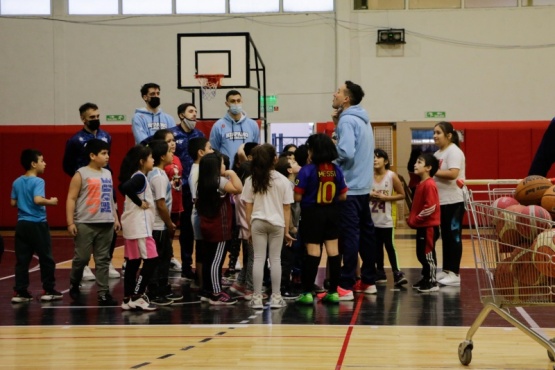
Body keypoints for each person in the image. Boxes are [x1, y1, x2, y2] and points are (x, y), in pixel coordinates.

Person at [62, 102, 119, 280]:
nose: (95, 120)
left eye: (97, 116)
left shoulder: (106, 136)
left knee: (110, 224)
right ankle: (84, 264)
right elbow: (67, 164)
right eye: (92, 117)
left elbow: (107, 161)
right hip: (87, 186)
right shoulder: (75, 140)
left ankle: (106, 261)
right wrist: (83, 178)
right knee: (85, 226)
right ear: (83, 119)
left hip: (105, 183)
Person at [331, 80, 377, 298]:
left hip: (349, 187)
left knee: (350, 235)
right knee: (367, 235)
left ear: (346, 99)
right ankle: (369, 280)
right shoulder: (363, 119)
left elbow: (347, 153)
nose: (334, 94)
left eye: (338, 92)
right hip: (364, 186)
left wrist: (330, 161)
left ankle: (347, 284)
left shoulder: (347, 120)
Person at [294, 134, 348, 304]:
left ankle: (307, 292)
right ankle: (333, 292)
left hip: (312, 213)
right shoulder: (336, 170)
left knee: (313, 251)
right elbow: (344, 196)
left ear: (313, 151)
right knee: (333, 251)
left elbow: (297, 197)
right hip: (332, 212)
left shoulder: (307, 170)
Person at [66, 139, 120, 306]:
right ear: (92, 155)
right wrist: (70, 222)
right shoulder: (80, 174)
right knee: (81, 258)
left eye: (108, 153)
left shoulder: (107, 174)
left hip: (106, 222)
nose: (107, 157)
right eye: (103, 153)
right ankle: (74, 282)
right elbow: (71, 198)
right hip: (85, 222)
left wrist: (115, 218)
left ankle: (103, 294)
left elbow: (110, 198)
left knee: (103, 260)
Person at [242, 144, 295, 309]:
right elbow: (287, 208)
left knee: (258, 259)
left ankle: (257, 297)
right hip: (277, 223)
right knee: (276, 260)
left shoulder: (251, 180)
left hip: (257, 222)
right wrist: (287, 230)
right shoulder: (283, 180)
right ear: (275, 160)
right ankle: (277, 297)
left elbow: (248, 207)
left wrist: (250, 228)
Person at [10, 149, 62, 303]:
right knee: (46, 257)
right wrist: (51, 202)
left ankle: (21, 291)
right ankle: (49, 289)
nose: (44, 163)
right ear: (33, 164)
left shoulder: (17, 181)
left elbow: (13, 203)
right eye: (41, 160)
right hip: (37, 224)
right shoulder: (39, 181)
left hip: (21, 225)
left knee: (22, 260)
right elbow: (38, 200)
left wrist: (24, 203)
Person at [196, 151, 242, 305]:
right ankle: (216, 293)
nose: (224, 166)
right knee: (217, 261)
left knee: (209, 259)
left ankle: (207, 290)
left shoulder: (202, 181)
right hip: (219, 229)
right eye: (222, 164)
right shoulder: (220, 181)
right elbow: (238, 188)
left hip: (207, 226)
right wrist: (231, 173)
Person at [118, 145, 158, 311]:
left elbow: (122, 187)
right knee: (152, 260)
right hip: (140, 227)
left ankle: (127, 298)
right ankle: (137, 295)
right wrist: (140, 202)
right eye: (151, 157)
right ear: (142, 161)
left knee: (133, 263)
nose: (153, 160)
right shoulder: (140, 177)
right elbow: (125, 188)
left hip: (133, 226)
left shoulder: (137, 176)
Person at [170, 103, 205, 282]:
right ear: (181, 115)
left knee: (195, 229)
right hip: (178, 189)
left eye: (196, 112)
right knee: (180, 229)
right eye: (191, 111)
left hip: (197, 189)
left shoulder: (199, 135)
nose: (194, 115)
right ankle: (183, 264)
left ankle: (194, 266)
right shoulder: (172, 135)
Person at [146, 140, 183, 305]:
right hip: (158, 225)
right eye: (169, 152)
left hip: (157, 224)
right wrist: (169, 223)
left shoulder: (154, 174)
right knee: (160, 259)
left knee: (164, 257)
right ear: (162, 156)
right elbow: (160, 204)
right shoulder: (159, 177)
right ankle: (155, 292)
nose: (172, 154)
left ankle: (162, 288)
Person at [433, 121, 466, 287]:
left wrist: (432, 171)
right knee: (446, 236)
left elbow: (453, 174)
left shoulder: (454, 152)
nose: (435, 136)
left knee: (453, 237)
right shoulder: (438, 153)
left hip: (454, 201)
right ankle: (447, 270)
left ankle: (455, 273)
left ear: (449, 135)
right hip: (442, 201)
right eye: (434, 132)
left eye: (438, 132)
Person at [370, 149, 407, 286]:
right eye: (373, 157)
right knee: (376, 247)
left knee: (390, 246)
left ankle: (397, 272)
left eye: (378, 157)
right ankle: (380, 272)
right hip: (372, 218)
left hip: (387, 218)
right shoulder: (368, 176)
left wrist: (386, 198)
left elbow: (402, 194)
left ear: (385, 161)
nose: (375, 160)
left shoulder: (391, 176)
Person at [407, 153, 441, 293]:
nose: (416, 164)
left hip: (428, 227)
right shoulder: (420, 183)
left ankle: (432, 282)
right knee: (421, 254)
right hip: (422, 226)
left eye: (419, 162)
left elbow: (430, 207)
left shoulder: (429, 184)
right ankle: (426, 277)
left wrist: (415, 219)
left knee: (427, 254)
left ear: (428, 168)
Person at [152, 129, 184, 273]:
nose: (172, 144)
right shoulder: (157, 170)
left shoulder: (175, 158)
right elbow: (159, 201)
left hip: (175, 202)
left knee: (170, 235)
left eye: (173, 140)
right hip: (161, 207)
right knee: (160, 239)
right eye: (168, 141)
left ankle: (169, 257)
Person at [187, 136, 214, 299]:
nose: (212, 151)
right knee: (202, 250)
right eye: (210, 148)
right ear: (201, 152)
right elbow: (198, 197)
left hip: (202, 214)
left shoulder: (200, 168)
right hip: (200, 215)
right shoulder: (197, 170)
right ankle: (202, 284)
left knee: (203, 250)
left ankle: (204, 282)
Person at [209, 90, 260, 168]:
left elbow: (256, 150)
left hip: (248, 170)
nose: (236, 104)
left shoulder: (253, 124)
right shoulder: (218, 125)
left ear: (242, 101)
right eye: (233, 101)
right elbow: (214, 151)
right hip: (227, 171)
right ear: (227, 104)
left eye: (238, 101)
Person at [274, 155, 301, 300]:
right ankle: (283, 287)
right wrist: (291, 227)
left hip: (287, 226)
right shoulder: (287, 185)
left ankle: (285, 284)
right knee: (285, 258)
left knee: (286, 258)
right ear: (289, 169)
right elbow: (288, 209)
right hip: (287, 227)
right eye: (294, 162)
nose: (297, 163)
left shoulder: (291, 184)